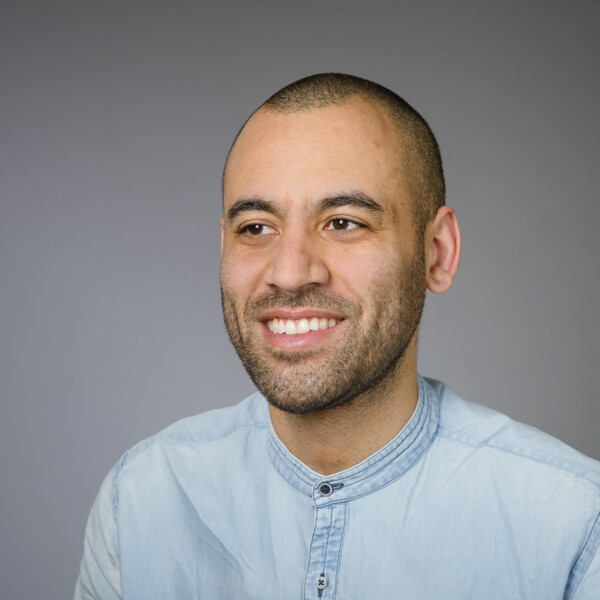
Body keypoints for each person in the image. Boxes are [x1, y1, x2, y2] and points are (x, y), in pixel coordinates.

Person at [75, 73, 600, 599]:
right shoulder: (141, 502)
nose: (288, 273)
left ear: (437, 252)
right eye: (256, 227)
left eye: (343, 222)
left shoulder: (575, 529)